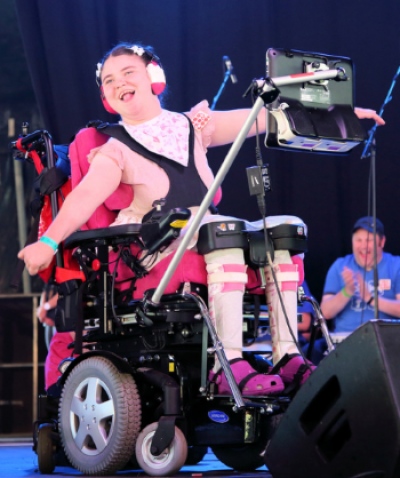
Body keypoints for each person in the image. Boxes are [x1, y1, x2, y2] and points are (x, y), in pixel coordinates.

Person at [18, 43, 384, 394]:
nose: (118, 84)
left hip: (206, 231)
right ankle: (230, 364)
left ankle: (287, 355)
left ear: (154, 78)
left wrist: (342, 118)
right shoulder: (113, 148)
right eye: (109, 81)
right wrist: (49, 242)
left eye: (128, 72)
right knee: (221, 230)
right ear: (104, 97)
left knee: (283, 231)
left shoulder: (192, 125)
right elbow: (84, 198)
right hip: (154, 244)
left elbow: (258, 118)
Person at [308, 216, 400, 364]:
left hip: (387, 342)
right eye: (358, 240)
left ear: (382, 242)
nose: (363, 246)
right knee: (309, 352)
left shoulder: (396, 266)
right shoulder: (340, 266)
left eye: (369, 240)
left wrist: (370, 298)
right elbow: (324, 312)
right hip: (344, 342)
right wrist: (347, 291)